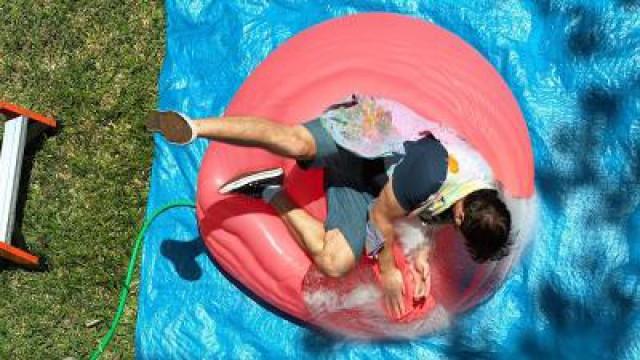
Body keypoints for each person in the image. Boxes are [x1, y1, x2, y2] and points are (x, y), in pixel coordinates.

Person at [147, 93, 512, 319]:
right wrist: (388, 271)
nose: (457, 230)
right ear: (464, 213)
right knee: (297, 142)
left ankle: (270, 191)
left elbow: (433, 213)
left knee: (336, 263)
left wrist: (418, 255)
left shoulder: (481, 193)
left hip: (376, 180)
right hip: (374, 130)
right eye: (461, 230)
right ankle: (195, 127)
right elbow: (380, 218)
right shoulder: (431, 173)